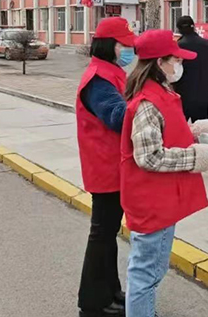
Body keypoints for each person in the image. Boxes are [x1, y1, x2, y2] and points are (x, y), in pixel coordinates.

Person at [120, 29, 208, 317]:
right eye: (176, 60)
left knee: (152, 269)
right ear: (159, 63)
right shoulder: (147, 103)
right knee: (145, 274)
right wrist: (195, 157)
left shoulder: (161, 93)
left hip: (160, 199)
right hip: (152, 201)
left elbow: (164, 133)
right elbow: (149, 156)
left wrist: (193, 130)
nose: (180, 65)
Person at [76, 17, 136, 317]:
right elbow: (117, 117)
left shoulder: (111, 72)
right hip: (105, 169)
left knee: (107, 234)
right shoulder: (99, 79)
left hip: (113, 166)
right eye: (125, 44)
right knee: (101, 235)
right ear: (110, 45)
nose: (129, 50)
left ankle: (110, 292)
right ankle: (93, 303)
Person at [173, 15, 208, 177]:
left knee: (178, 129)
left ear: (178, 29)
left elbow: (175, 73)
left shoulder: (179, 46)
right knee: (205, 131)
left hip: (183, 95)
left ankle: (183, 160)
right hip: (203, 94)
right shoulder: (207, 45)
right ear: (194, 26)